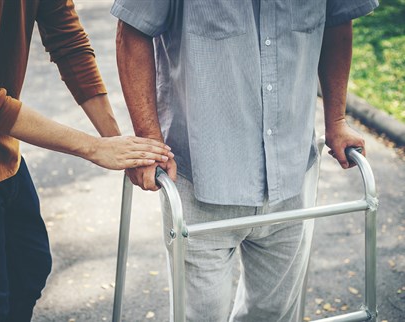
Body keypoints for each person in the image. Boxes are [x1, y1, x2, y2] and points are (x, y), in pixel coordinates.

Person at [111, 0, 378, 321]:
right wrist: (149, 139)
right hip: (201, 178)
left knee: (273, 314)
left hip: (291, 176)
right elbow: (132, 30)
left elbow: (337, 20)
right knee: (201, 316)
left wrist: (336, 120)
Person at [0, 1, 174, 321]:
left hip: (5, 153)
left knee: (29, 270)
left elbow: (70, 47)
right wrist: (93, 148)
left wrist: (118, 146)